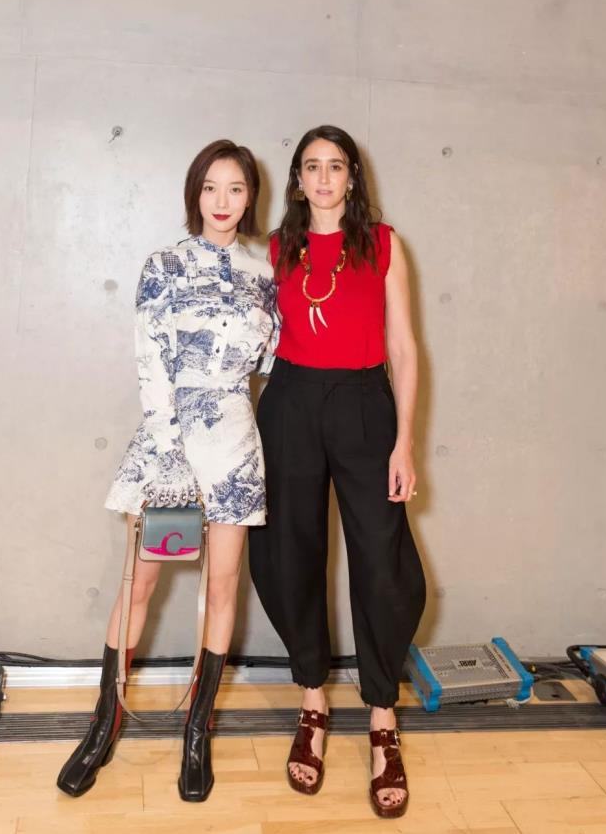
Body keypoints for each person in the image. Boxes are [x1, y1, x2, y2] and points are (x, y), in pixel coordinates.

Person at [57, 139, 277, 801]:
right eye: (211, 187)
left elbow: (271, 361)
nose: (222, 201)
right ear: (195, 193)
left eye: (235, 188)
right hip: (169, 440)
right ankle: (103, 726)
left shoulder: (266, 271)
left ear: (250, 196)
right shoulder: (164, 264)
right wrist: (169, 454)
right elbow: (150, 364)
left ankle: (197, 732)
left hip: (234, 442)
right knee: (141, 585)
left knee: (223, 586)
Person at [248, 124, 426, 819]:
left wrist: (404, 442)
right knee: (289, 552)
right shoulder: (275, 249)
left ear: (353, 176)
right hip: (291, 401)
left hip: (364, 404)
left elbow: (404, 347)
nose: (324, 178)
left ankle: (382, 715)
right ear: (297, 180)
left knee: (382, 561)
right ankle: (313, 702)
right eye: (311, 167)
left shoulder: (383, 244)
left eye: (336, 166)